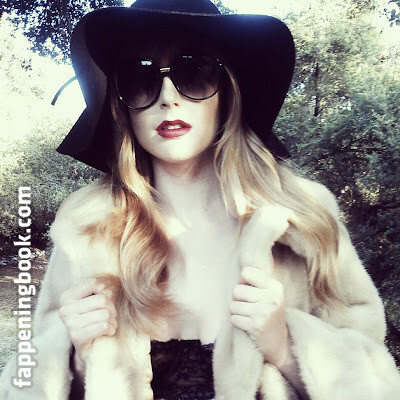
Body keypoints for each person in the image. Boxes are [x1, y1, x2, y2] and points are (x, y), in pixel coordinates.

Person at [1, 0, 400, 399]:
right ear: (122, 106)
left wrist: (285, 347)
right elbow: (26, 383)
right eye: (141, 79)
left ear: (227, 91)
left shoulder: (303, 218)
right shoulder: (87, 229)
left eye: (194, 73)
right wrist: (74, 357)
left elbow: (375, 386)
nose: (168, 97)